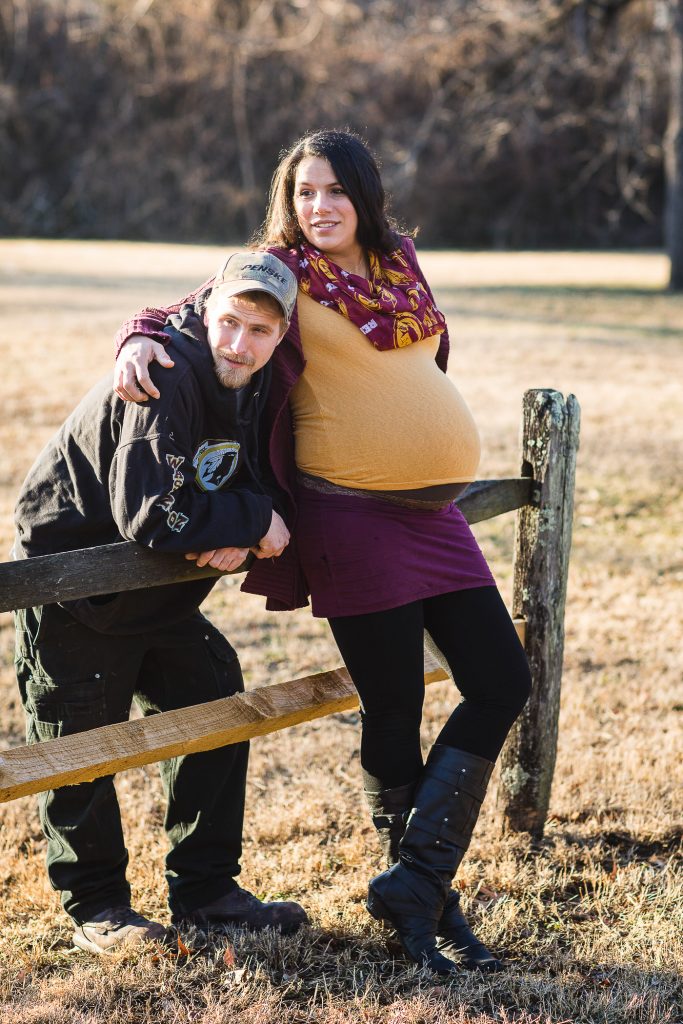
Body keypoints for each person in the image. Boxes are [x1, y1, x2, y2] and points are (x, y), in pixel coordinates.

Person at [113, 130, 532, 976]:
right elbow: (187, 313)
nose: (319, 206)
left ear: (365, 196)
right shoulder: (284, 271)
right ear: (287, 200)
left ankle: (414, 884)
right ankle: (421, 901)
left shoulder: (398, 265)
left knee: (501, 680)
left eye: (336, 190)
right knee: (392, 708)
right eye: (304, 191)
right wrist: (136, 338)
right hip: (351, 516)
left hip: (433, 516)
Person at [13, 252, 310, 954]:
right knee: (79, 747)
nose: (238, 343)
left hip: (158, 593)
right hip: (77, 590)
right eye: (229, 322)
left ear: (282, 334)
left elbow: (259, 480)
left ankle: (207, 893)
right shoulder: (160, 376)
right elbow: (153, 517)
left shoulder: (262, 386)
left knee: (214, 701)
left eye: (259, 330)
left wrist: (249, 513)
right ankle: (97, 907)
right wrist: (248, 523)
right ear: (205, 311)